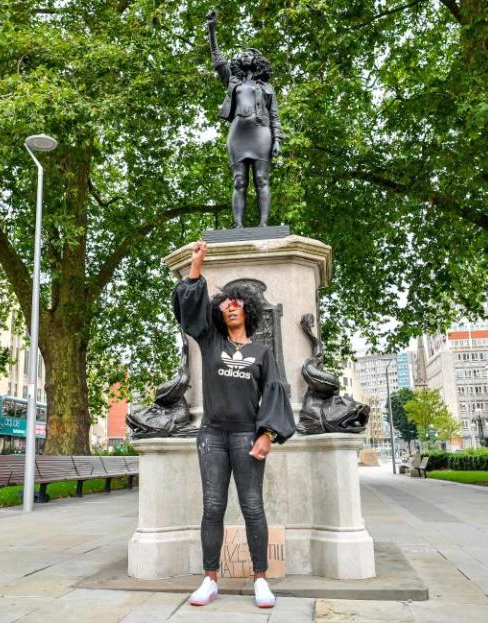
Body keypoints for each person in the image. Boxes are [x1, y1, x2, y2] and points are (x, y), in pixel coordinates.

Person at [172, 240, 295, 608]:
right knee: (212, 507)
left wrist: (267, 434)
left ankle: (260, 579)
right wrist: (196, 267)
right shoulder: (210, 342)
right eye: (225, 303)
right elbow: (190, 312)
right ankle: (210, 580)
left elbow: (275, 391)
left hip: (246, 437)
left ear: (249, 310)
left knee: (253, 506)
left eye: (238, 302)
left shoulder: (261, 352)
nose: (231, 306)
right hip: (211, 436)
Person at [206, 8, 284, 228]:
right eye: (244, 53)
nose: (246, 54)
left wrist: (277, 140)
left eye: (251, 53)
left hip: (262, 133)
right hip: (238, 133)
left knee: (262, 180)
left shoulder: (267, 87)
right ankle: (238, 226)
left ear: (258, 60)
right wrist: (212, 31)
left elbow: (275, 116)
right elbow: (218, 61)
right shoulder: (233, 81)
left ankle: (263, 225)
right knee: (239, 181)